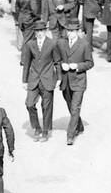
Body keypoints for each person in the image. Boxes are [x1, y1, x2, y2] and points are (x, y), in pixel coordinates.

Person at [54, 17, 94, 146]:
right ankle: (79, 125)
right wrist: (61, 67)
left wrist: (76, 66)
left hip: (79, 81)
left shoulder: (84, 44)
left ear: (77, 31)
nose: (70, 33)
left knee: (75, 107)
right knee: (70, 106)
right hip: (66, 81)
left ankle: (70, 135)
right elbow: (57, 60)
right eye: (68, 31)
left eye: (72, 31)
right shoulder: (61, 43)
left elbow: (90, 63)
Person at [20, 20, 58, 141]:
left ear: (45, 31)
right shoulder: (30, 44)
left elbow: (57, 62)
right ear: (35, 32)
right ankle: (37, 127)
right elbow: (26, 63)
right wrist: (24, 80)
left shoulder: (52, 44)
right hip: (33, 79)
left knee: (46, 106)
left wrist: (59, 79)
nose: (40, 33)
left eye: (42, 30)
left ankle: (45, 131)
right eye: (37, 31)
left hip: (48, 79)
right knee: (29, 104)